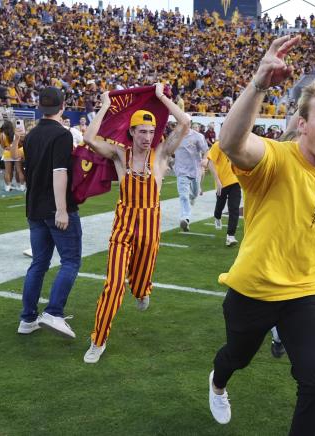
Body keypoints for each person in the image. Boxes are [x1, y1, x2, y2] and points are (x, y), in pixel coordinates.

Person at [207, 35, 315, 435]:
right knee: (235, 358)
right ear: (302, 125)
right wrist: (259, 82)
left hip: (305, 293)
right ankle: (218, 382)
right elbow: (232, 143)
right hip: (253, 287)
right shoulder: (276, 157)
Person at [82, 84, 190, 363]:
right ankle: (98, 339)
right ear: (131, 132)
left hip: (150, 226)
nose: (147, 136)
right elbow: (90, 137)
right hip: (124, 224)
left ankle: (142, 290)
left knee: (140, 284)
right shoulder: (121, 154)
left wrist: (162, 97)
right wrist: (105, 104)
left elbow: (185, 122)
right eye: (142, 131)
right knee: (114, 284)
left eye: (151, 131)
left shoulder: (162, 154)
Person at [19, 87, 82, 339]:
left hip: (34, 206)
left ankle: (27, 318)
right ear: (62, 106)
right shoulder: (62, 134)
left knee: (39, 263)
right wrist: (62, 209)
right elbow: (59, 172)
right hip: (54, 207)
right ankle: (53, 312)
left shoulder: (31, 135)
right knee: (70, 261)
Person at [174, 122, 208, 231]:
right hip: (181, 171)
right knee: (183, 196)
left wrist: (205, 159)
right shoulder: (175, 136)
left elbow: (206, 150)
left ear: (189, 124)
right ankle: (185, 218)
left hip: (195, 170)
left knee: (195, 192)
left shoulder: (198, 136)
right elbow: (168, 150)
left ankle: (193, 197)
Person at [207, 141, 241, 247]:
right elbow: (210, 162)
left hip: (235, 182)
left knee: (234, 208)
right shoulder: (218, 145)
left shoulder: (237, 144)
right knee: (220, 205)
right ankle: (217, 216)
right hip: (221, 182)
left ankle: (230, 236)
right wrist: (217, 180)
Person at [0, 120, 26, 192]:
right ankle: (22, 186)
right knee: (19, 171)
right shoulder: (15, 133)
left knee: (7, 171)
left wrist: (7, 148)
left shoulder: (2, 134)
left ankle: (8, 186)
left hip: (7, 153)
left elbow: (3, 146)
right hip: (16, 151)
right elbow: (20, 143)